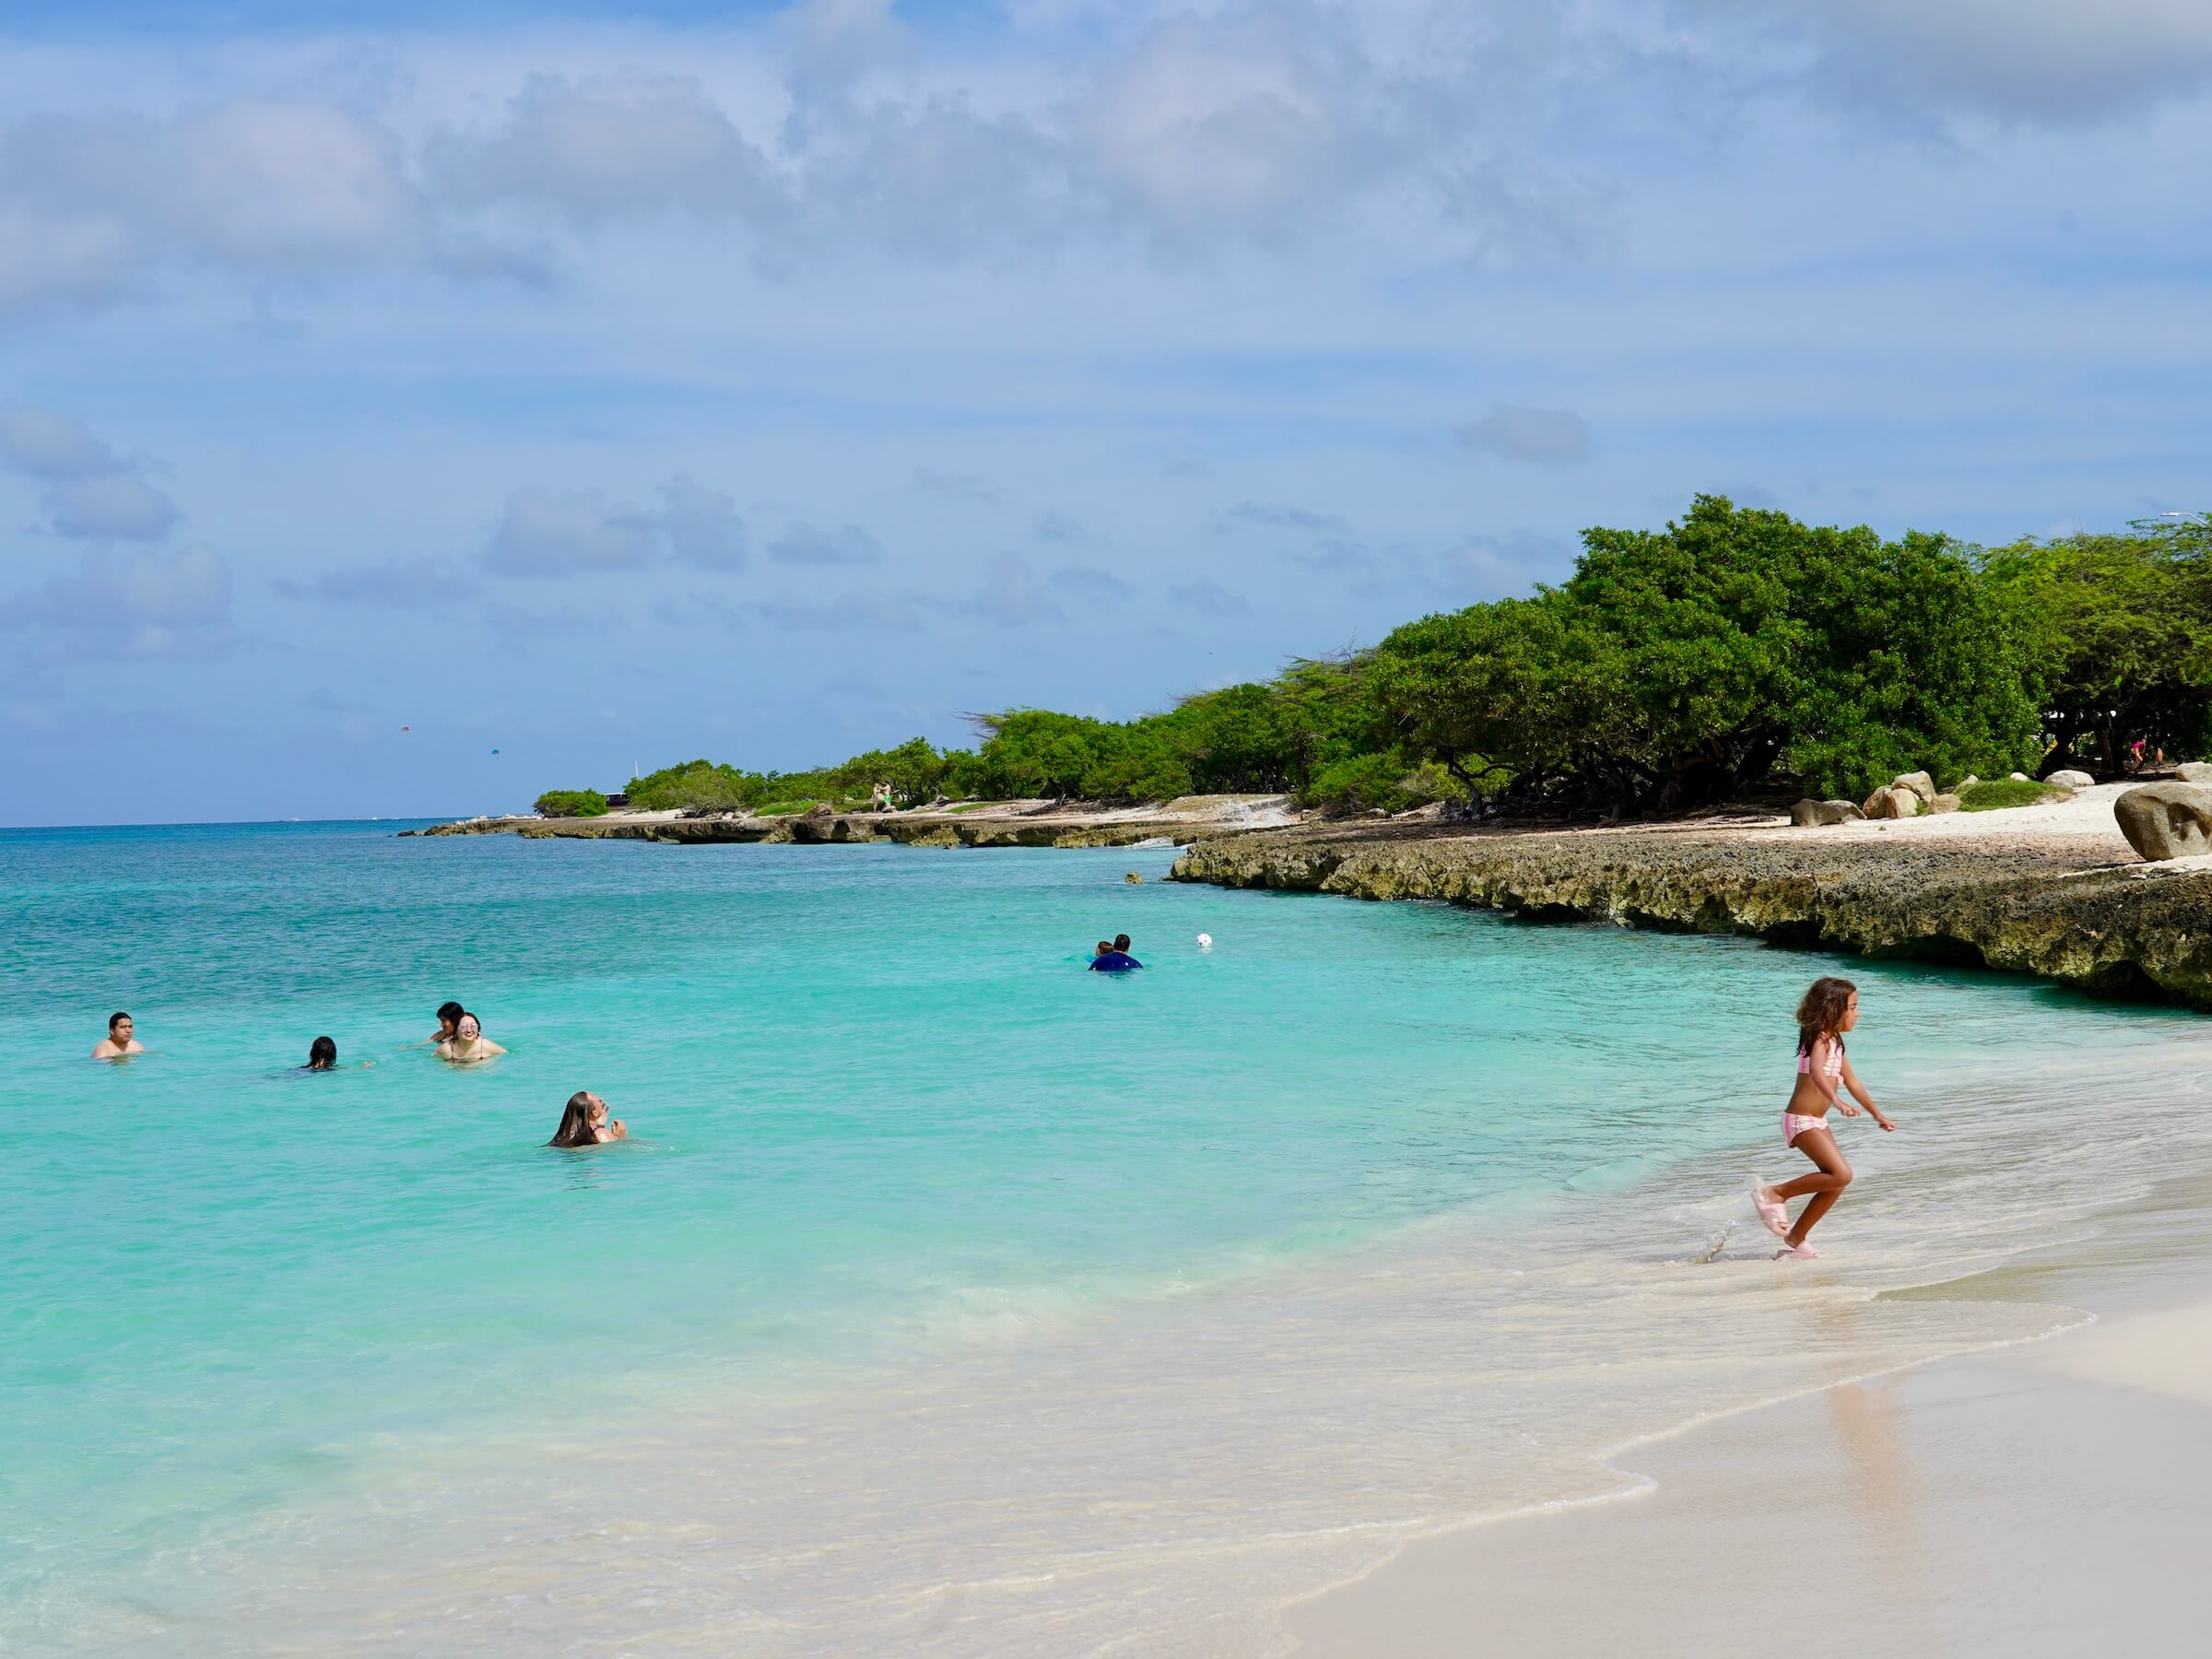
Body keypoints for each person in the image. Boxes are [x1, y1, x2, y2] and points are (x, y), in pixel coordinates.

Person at [1752, 977, 1896, 1258]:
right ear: (1833, 1009)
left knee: (1838, 1180)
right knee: (1841, 1173)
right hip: (1800, 1120)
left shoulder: (1836, 1042)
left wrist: (1877, 1114)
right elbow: (1817, 1072)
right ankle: (1775, 1193)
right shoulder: (1819, 1037)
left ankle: (1796, 1239)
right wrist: (1837, 1101)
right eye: (1853, 1007)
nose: (1858, 1013)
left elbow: (1853, 1081)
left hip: (1816, 1121)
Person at [547, 1089, 628, 1147]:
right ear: (594, 1112)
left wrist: (599, 1126)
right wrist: (621, 1136)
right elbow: (622, 1150)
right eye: (599, 1101)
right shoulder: (602, 1134)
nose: (602, 1101)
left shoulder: (565, 1138)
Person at [435, 1012, 507, 1064]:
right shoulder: (447, 1049)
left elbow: (506, 1056)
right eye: (463, 1027)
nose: (469, 1030)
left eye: (473, 1026)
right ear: (456, 1030)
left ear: (478, 1029)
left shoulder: (486, 1046)